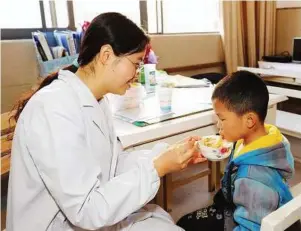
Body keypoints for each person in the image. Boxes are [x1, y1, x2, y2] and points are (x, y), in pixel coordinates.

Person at [6, 13, 199, 231]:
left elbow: (113, 164)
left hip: (91, 216)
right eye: (136, 63)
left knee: (160, 221)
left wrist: (165, 155)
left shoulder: (97, 100)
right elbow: (86, 210)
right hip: (64, 223)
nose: (137, 73)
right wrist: (156, 168)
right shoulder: (53, 107)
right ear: (106, 55)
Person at [177, 71, 300, 231]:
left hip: (245, 220)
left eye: (222, 119)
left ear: (249, 120)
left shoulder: (254, 180)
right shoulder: (265, 138)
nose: (219, 126)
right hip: (239, 204)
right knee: (184, 222)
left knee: (183, 225)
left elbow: (251, 227)